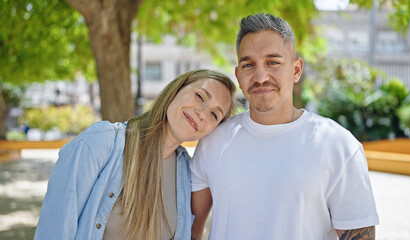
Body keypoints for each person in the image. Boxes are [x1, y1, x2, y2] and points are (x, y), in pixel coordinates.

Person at [190, 13, 379, 240]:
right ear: (238, 76)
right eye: (249, 64)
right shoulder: (213, 141)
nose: (260, 77)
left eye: (273, 62)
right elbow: (191, 230)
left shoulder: (338, 145)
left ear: (296, 70)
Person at [34, 69, 236, 240]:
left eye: (214, 115)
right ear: (176, 89)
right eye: (200, 96)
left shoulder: (186, 172)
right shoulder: (101, 142)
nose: (202, 112)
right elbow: (54, 228)